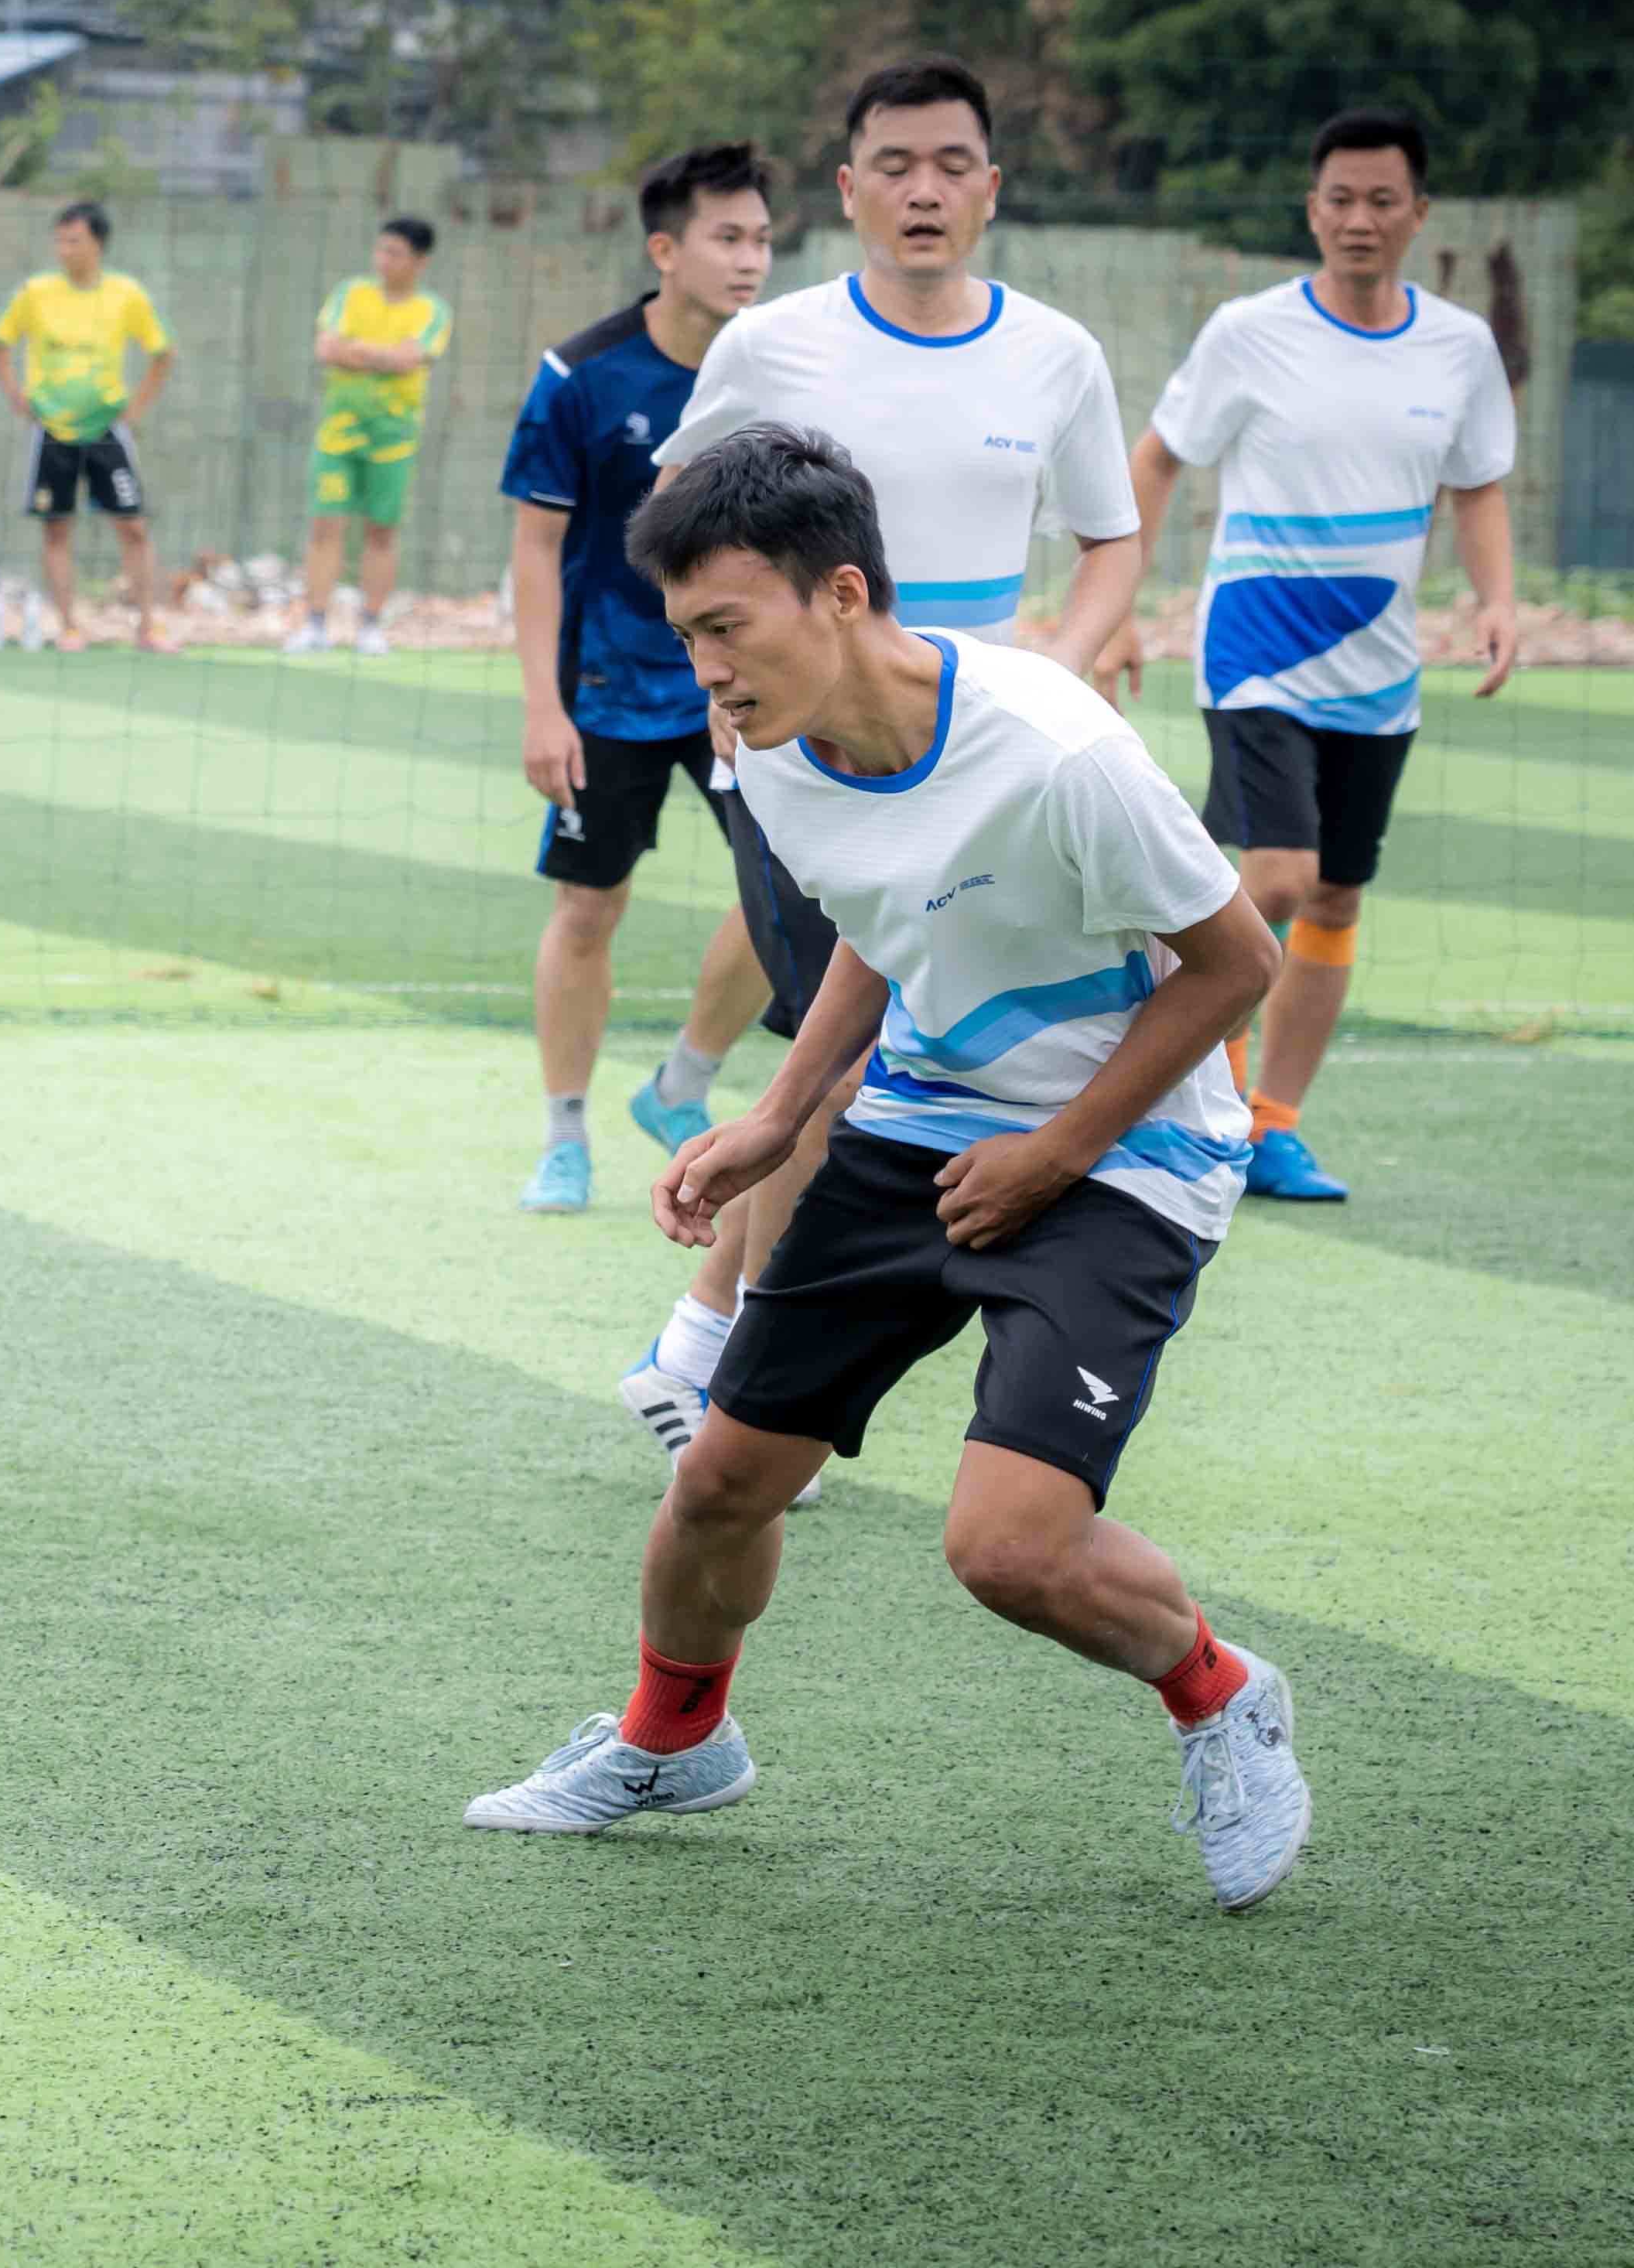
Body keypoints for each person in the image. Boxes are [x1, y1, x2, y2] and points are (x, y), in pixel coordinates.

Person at [466, 422, 1307, 1918]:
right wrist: (780, 1115)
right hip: (915, 1124)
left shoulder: (1053, 751)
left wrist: (1053, 1153)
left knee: (1006, 1549)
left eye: (728, 628)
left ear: (841, 595)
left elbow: (1234, 963)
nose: (706, 671)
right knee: (719, 1483)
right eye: (686, 636)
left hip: (1127, 1153)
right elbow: (879, 913)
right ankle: (674, 1741)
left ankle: (1218, 1692)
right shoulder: (771, 751)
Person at [610, 56, 1144, 1468]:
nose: (922, 189)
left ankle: (701, 1352)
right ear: (846, 190)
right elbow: (675, 522)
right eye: (893, 165)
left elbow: (1110, 538)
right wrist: (719, 678)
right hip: (806, 768)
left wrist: (1057, 669)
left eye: (950, 164)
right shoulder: (770, 344)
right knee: (837, 1061)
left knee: (874, 1065)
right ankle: (730, 1382)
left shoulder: (1056, 355)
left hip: (992, 775)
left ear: (990, 187)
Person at [1118, 107, 1521, 1205]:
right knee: (1276, 878)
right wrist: (1121, 605)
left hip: (1378, 668)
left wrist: (1497, 600)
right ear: (1311, 211)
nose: (1359, 219)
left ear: (1418, 214)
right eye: (1339, 199)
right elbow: (1155, 460)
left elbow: (1478, 487)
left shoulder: (1459, 347)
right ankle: (1189, 1104)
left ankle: (1271, 1124)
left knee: (1335, 897)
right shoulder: (1248, 332)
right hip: (1254, 646)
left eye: (1382, 200)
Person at [504, 144, 781, 1217]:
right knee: (588, 907)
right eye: (727, 237)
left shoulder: (784, 364)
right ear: (664, 250)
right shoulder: (581, 375)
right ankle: (563, 1139)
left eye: (761, 238)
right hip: (606, 691)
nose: (750, 259)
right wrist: (544, 706)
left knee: (795, 888)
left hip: (741, 685)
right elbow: (536, 548)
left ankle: (680, 1083)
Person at [0, 200, 174, 654]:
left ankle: (149, 627)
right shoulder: (35, 293)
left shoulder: (126, 294)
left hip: (107, 430)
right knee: (57, 528)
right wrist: (16, 394)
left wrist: (136, 407)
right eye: (60, 241)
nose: (64, 250)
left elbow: (162, 353)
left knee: (134, 526)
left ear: (98, 245)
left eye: (74, 241)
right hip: (52, 431)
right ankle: (69, 627)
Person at [289, 217, 452, 655]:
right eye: (381, 250)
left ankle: (370, 627)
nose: (383, 260)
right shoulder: (350, 294)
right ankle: (315, 625)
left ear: (420, 261)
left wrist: (358, 351)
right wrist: (384, 356)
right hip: (337, 436)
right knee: (326, 526)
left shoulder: (432, 310)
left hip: (394, 440)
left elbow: (409, 360)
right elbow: (327, 349)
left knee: (381, 532)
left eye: (395, 253)